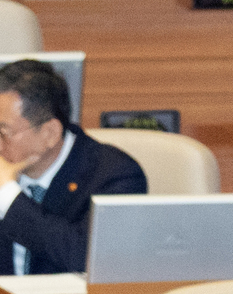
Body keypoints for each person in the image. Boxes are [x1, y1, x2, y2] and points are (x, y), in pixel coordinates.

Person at [0, 58, 146, 276]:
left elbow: (88, 258)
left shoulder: (115, 175)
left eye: (3, 132)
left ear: (49, 134)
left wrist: (7, 196)